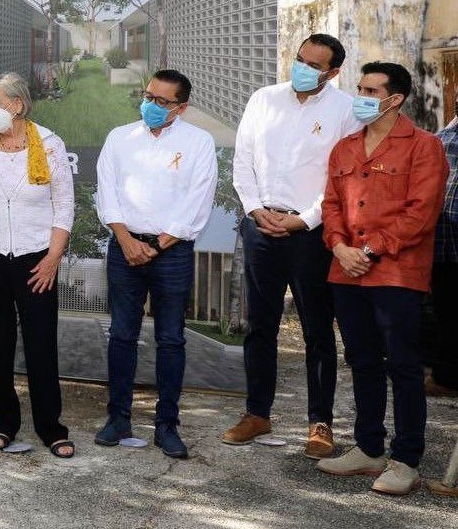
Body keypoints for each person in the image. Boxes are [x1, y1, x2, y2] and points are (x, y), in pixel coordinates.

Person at [225, 33, 360, 459]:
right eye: (299, 59)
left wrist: (304, 218)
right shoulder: (264, 99)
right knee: (259, 326)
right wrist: (253, 209)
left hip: (310, 233)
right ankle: (257, 413)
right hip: (260, 226)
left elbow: (342, 177)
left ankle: (319, 422)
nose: (302, 67)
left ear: (333, 72)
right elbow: (242, 160)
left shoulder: (345, 111)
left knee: (317, 331)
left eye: (314, 64)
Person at [315, 62, 448, 495]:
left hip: (395, 272)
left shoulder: (424, 147)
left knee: (404, 365)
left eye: (371, 90)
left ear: (396, 98)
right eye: (360, 87)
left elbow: (421, 214)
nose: (362, 95)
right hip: (346, 270)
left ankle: (407, 458)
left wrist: (368, 250)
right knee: (363, 361)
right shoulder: (345, 147)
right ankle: (368, 448)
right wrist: (339, 247)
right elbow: (332, 204)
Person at [93, 69, 217, 459]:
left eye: (162, 101)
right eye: (148, 96)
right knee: (122, 335)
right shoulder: (119, 137)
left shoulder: (198, 142)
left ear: (181, 107)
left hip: (172, 252)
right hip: (124, 247)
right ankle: (118, 417)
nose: (151, 105)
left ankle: (167, 425)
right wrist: (127, 240)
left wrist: (158, 245)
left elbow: (199, 200)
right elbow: (106, 192)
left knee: (171, 338)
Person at [0, 71, 75, 458]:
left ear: (18, 105)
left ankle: (50, 427)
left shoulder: (51, 145)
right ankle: (2, 423)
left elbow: (64, 207)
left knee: (41, 344)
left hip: (36, 259)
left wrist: (53, 258)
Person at [424, 115, 458, 396]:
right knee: (446, 311)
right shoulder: (440, 140)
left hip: (445, 240)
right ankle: (445, 377)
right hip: (443, 242)